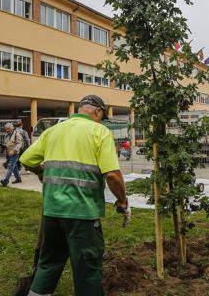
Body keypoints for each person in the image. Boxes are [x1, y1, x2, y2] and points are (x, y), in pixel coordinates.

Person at [20, 94, 129, 296]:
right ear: (97, 112)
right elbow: (113, 175)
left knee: (49, 264)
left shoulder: (53, 131)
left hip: (52, 212)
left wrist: (42, 173)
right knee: (87, 270)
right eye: (101, 116)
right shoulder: (99, 131)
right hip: (83, 214)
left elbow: (26, 158)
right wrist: (123, 202)